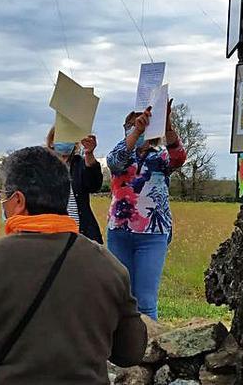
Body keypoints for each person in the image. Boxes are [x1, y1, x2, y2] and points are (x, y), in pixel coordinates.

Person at [0, 147, 147, 384]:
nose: (3, 204)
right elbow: (130, 352)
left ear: (18, 201)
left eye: (3, 196)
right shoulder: (108, 266)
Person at [106, 100, 186, 320]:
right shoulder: (121, 151)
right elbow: (114, 162)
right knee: (122, 295)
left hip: (153, 233)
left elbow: (178, 157)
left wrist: (166, 122)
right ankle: (123, 347)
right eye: (132, 125)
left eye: (142, 125)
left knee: (146, 300)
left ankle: (149, 346)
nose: (137, 128)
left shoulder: (160, 155)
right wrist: (136, 132)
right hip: (120, 231)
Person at [46, 127, 104, 243]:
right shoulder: (43, 167)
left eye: (69, 137)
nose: (65, 141)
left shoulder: (80, 164)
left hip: (81, 234)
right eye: (61, 137)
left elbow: (94, 185)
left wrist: (89, 154)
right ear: (52, 142)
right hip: (54, 235)